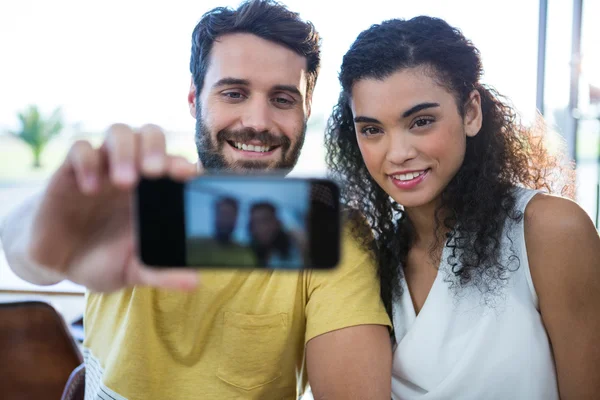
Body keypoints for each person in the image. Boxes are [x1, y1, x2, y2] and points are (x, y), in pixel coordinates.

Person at [0, 1, 392, 399]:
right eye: (234, 93)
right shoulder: (132, 200)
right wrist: (47, 244)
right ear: (194, 98)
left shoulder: (327, 231)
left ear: (307, 109)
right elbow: (23, 249)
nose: (257, 121)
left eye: (282, 99)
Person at [325, 16, 600, 400]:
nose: (398, 154)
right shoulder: (371, 260)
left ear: (470, 113)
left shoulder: (549, 231)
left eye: (421, 121)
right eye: (372, 130)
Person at [187, 196, 257, 266]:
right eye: (222, 214)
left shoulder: (244, 253)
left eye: (229, 215)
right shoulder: (194, 245)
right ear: (215, 216)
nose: (225, 220)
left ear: (236, 219)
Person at [247, 201, 305, 268]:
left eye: (265, 220)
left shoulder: (294, 248)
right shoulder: (248, 252)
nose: (261, 227)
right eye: (255, 222)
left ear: (277, 222)